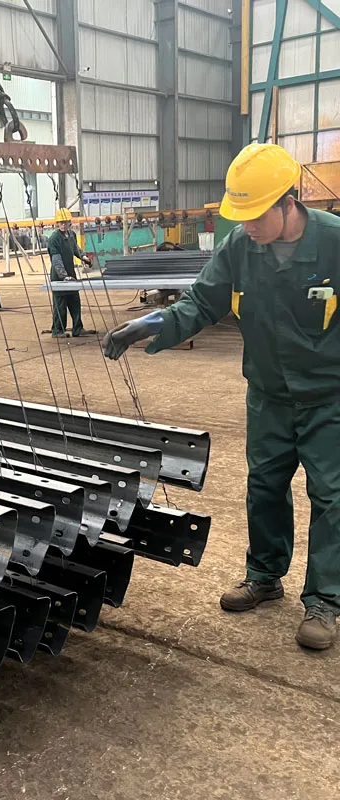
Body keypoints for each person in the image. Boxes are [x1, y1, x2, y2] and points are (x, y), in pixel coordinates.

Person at [103, 143, 340, 650]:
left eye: (256, 215)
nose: (247, 225)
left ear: (288, 203)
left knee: (331, 497)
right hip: (269, 395)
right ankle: (265, 576)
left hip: (329, 398)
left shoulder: (335, 243)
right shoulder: (239, 246)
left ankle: (325, 600)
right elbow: (202, 301)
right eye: (242, 216)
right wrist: (154, 323)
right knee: (264, 487)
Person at [48, 208, 95, 338]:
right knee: (60, 305)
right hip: (58, 277)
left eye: (65, 222)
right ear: (57, 223)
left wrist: (84, 258)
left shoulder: (72, 235)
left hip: (71, 275)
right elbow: (56, 260)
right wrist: (64, 276)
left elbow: (76, 249)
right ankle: (58, 330)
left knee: (75, 302)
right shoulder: (54, 239)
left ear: (70, 222)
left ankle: (77, 329)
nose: (63, 225)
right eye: (60, 222)